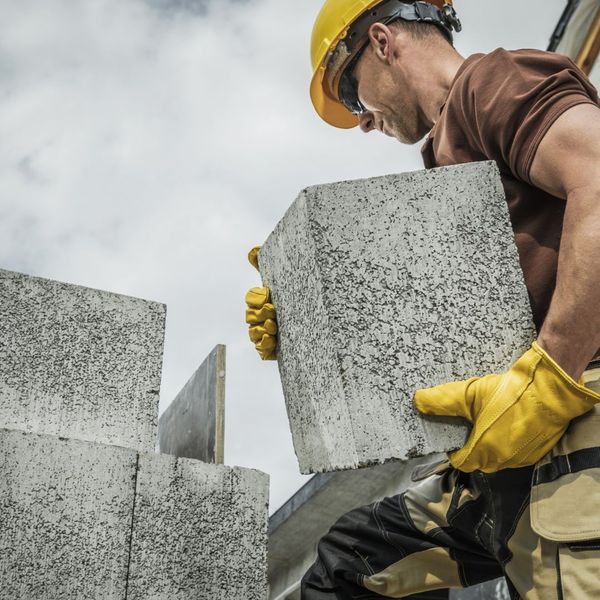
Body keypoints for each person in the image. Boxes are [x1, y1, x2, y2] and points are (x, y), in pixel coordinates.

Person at [245, 1, 600, 597]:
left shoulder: (491, 84)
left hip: (576, 415)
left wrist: (552, 374)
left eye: (353, 95)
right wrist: (310, 325)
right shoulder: (444, 167)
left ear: (382, 41)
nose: (360, 120)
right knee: (351, 563)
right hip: (502, 456)